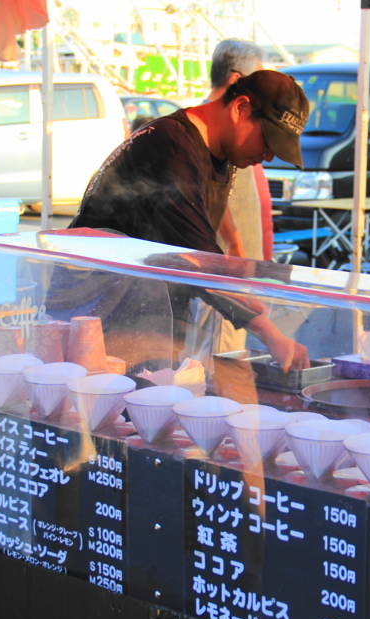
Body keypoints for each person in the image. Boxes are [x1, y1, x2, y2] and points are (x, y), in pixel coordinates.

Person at [69, 69, 310, 371]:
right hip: (100, 310)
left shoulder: (222, 155)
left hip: (153, 306)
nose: (269, 156)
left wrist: (243, 288)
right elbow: (198, 257)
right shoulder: (171, 146)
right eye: (268, 140)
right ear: (240, 109)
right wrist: (271, 333)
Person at [205, 38, 274, 261]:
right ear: (237, 80)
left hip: (241, 268)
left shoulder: (238, 125)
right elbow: (212, 197)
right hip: (223, 272)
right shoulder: (207, 128)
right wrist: (235, 245)